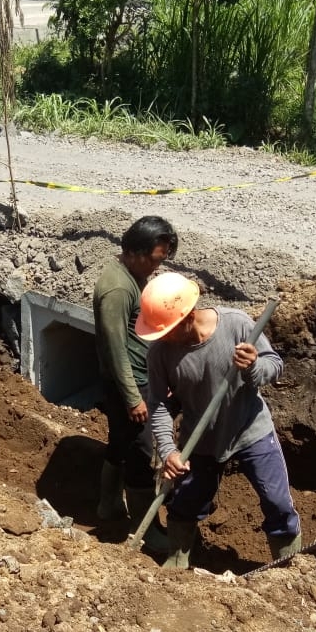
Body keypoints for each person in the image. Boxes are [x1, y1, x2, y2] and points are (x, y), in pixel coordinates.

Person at [137, 271, 301, 568]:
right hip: (201, 439)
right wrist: (169, 450)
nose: (162, 337)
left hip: (250, 430)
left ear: (188, 316)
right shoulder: (160, 354)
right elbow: (159, 404)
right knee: (184, 504)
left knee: (277, 502)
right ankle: (176, 564)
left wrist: (253, 367)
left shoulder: (236, 324)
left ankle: (289, 567)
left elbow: (274, 365)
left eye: (167, 330)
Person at [93, 216, 179, 552]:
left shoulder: (132, 275)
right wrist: (133, 397)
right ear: (134, 251)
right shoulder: (117, 290)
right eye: (155, 259)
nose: (157, 267)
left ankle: (108, 504)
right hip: (129, 384)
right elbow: (115, 348)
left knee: (120, 442)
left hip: (134, 379)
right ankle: (144, 529)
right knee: (141, 453)